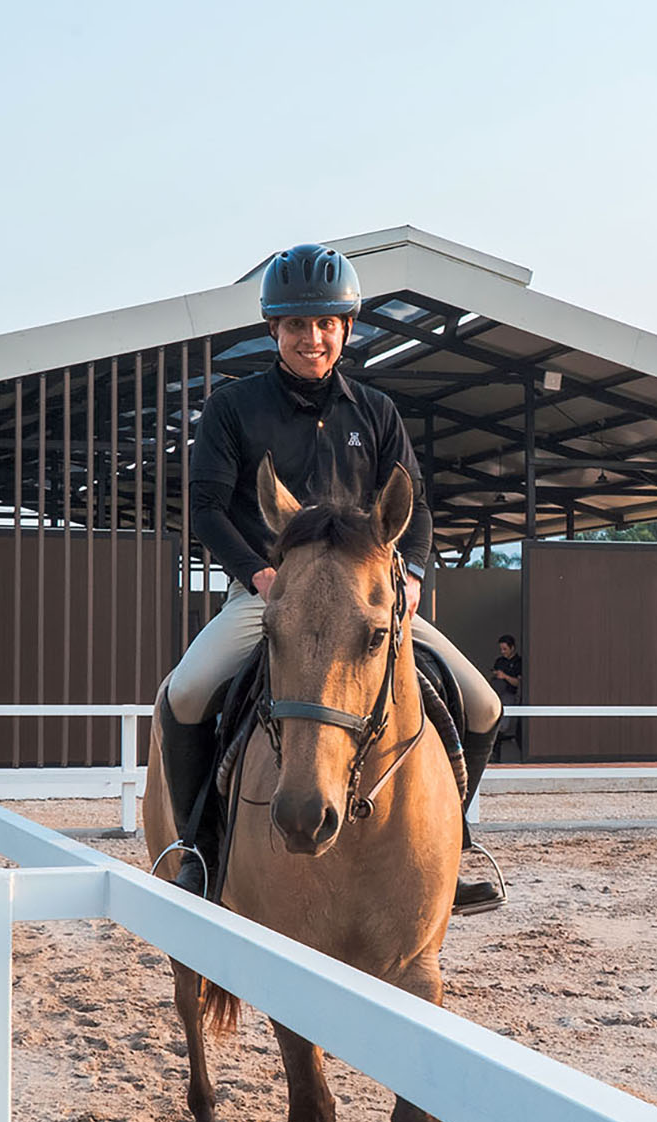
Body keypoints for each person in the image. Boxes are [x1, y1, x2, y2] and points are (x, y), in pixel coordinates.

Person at [160, 242, 504, 915]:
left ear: (346, 329)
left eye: (324, 325)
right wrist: (258, 575)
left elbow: (417, 504)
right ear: (274, 330)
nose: (311, 339)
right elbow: (204, 506)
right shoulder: (233, 410)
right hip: (272, 596)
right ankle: (200, 852)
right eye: (296, 326)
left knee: (484, 704)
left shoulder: (375, 412)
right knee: (187, 692)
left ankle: (453, 846)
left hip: (364, 601)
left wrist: (412, 578)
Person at [491, 634, 523, 763]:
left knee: (503, 726)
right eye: (501, 649)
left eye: (505, 649)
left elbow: (518, 683)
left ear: (512, 648)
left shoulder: (519, 662)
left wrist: (504, 676)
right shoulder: (499, 661)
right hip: (497, 693)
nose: (502, 652)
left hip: (510, 695)